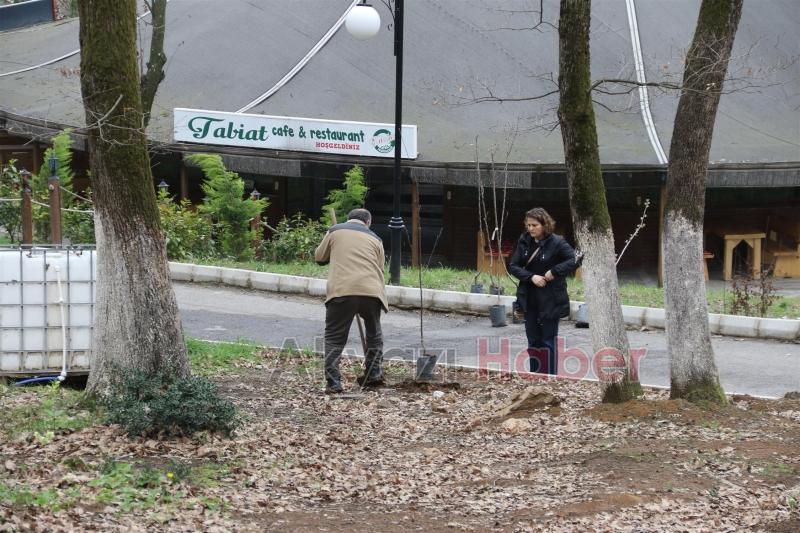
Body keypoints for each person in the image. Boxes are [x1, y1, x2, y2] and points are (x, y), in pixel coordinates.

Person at [314, 208, 388, 393]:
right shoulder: (376, 239)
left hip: (342, 291)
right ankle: (374, 374)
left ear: (349, 219)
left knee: (334, 337)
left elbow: (319, 257)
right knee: (374, 333)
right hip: (372, 291)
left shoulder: (335, 231)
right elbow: (380, 267)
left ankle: (334, 383)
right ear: (368, 222)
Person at [508, 208, 577, 375]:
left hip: (551, 298)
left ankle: (550, 378)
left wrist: (554, 272)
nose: (531, 229)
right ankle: (535, 376)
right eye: (528, 225)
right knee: (533, 340)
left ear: (545, 224)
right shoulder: (524, 241)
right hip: (529, 297)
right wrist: (531, 277)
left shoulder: (557, 242)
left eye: (535, 225)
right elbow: (513, 266)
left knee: (548, 341)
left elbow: (574, 259)